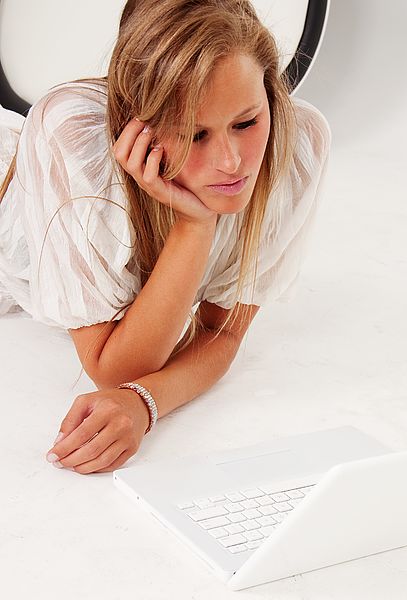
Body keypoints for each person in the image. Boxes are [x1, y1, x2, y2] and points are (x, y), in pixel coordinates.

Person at [0, 0, 330, 474]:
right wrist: (194, 225)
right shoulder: (75, 134)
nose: (231, 162)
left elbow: (220, 331)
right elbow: (112, 366)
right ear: (138, 126)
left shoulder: (298, 143)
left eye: (246, 122)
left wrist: (144, 403)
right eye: (194, 134)